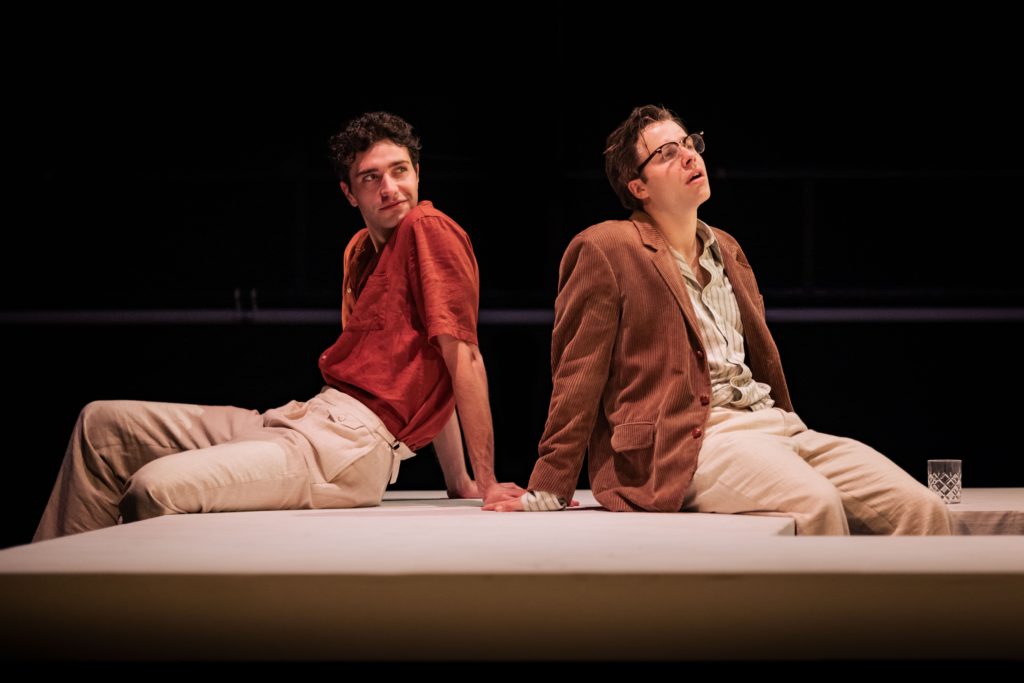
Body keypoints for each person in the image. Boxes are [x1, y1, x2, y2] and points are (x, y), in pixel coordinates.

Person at [34, 111, 523, 541]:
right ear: (349, 193)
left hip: (348, 445)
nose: (390, 188)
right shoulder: (359, 253)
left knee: (152, 487)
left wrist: (483, 480)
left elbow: (461, 355)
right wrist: (457, 482)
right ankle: (47, 595)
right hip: (308, 418)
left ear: (418, 173)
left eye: (400, 171)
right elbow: (431, 368)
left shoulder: (427, 228)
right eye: (371, 177)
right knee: (100, 425)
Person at [486, 105, 951, 535]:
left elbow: (761, 358)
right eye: (668, 153)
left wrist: (787, 422)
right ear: (638, 187)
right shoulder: (607, 247)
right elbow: (577, 373)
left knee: (923, 509)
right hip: (689, 442)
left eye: (689, 144)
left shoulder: (726, 248)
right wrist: (549, 485)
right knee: (817, 504)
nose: (690, 156)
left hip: (773, 426)